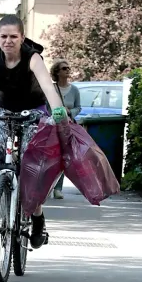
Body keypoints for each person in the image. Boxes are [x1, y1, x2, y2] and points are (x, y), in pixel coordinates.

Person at [0, 16, 68, 248]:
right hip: (3, 108)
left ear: (22, 38)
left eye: (13, 36)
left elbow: (49, 88)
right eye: (3, 36)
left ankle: (37, 216)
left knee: (30, 165)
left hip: (33, 109)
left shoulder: (33, 57)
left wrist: (58, 113)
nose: (8, 41)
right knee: (0, 156)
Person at [49, 60, 81, 199]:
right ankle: (48, 185)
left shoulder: (74, 90)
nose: (67, 70)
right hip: (51, 126)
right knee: (50, 156)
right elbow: (45, 106)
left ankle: (58, 188)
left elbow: (78, 107)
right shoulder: (51, 88)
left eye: (68, 68)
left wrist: (70, 112)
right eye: (64, 68)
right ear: (57, 72)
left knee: (63, 156)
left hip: (67, 127)